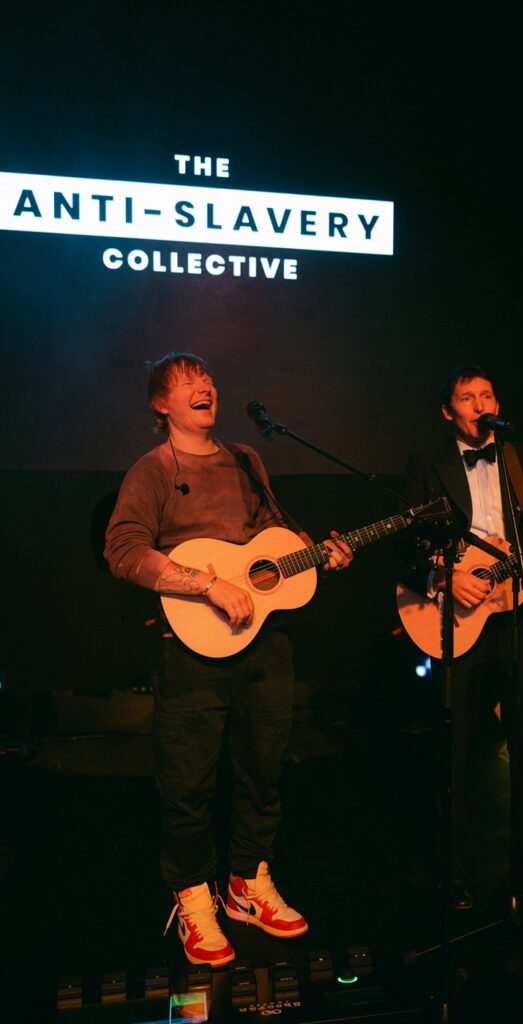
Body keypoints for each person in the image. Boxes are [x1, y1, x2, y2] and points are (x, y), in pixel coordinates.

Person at [104, 352, 353, 967]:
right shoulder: (153, 469)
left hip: (265, 644)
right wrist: (204, 584)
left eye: (208, 380)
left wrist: (320, 552)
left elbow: (275, 537)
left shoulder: (247, 459)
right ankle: (193, 895)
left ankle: (248, 882)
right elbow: (123, 549)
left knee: (263, 769)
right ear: (162, 404)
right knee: (187, 781)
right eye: (189, 383)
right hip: (190, 647)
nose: (205, 388)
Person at [399, 364, 523, 910]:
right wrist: (444, 576)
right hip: (455, 623)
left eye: (487, 395)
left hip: (519, 619)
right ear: (448, 411)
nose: (480, 404)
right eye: (467, 398)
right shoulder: (428, 464)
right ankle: (451, 872)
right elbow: (405, 545)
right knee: (455, 750)